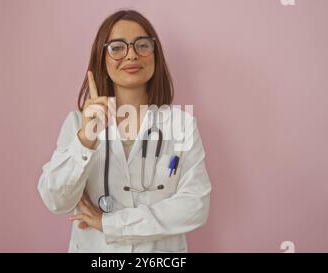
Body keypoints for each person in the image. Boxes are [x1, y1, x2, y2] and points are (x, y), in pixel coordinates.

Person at [38, 9, 211, 252]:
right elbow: (56, 200)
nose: (131, 55)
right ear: (102, 58)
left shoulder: (181, 125)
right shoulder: (78, 125)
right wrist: (86, 139)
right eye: (117, 47)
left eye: (142, 45)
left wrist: (111, 224)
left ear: (155, 55)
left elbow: (195, 205)